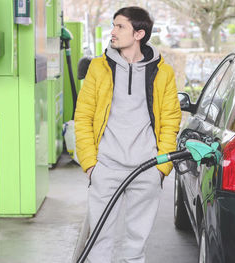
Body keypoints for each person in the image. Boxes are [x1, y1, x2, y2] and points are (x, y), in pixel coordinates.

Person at [74, 6, 182, 263]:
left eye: (120, 26)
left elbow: (170, 120)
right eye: (113, 25)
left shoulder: (163, 73)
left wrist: (161, 167)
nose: (113, 31)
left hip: (147, 169)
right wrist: (91, 164)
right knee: (99, 242)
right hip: (106, 167)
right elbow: (83, 117)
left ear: (139, 34)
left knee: (135, 246)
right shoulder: (98, 68)